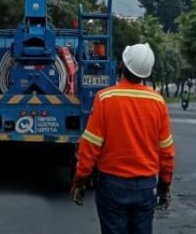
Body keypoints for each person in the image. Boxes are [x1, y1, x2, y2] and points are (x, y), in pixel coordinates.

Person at [72, 43, 175, 234]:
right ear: (146, 73)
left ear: (122, 66)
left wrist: (80, 180)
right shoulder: (158, 102)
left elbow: (90, 146)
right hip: (145, 187)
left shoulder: (105, 98)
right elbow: (166, 150)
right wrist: (164, 185)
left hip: (112, 186)